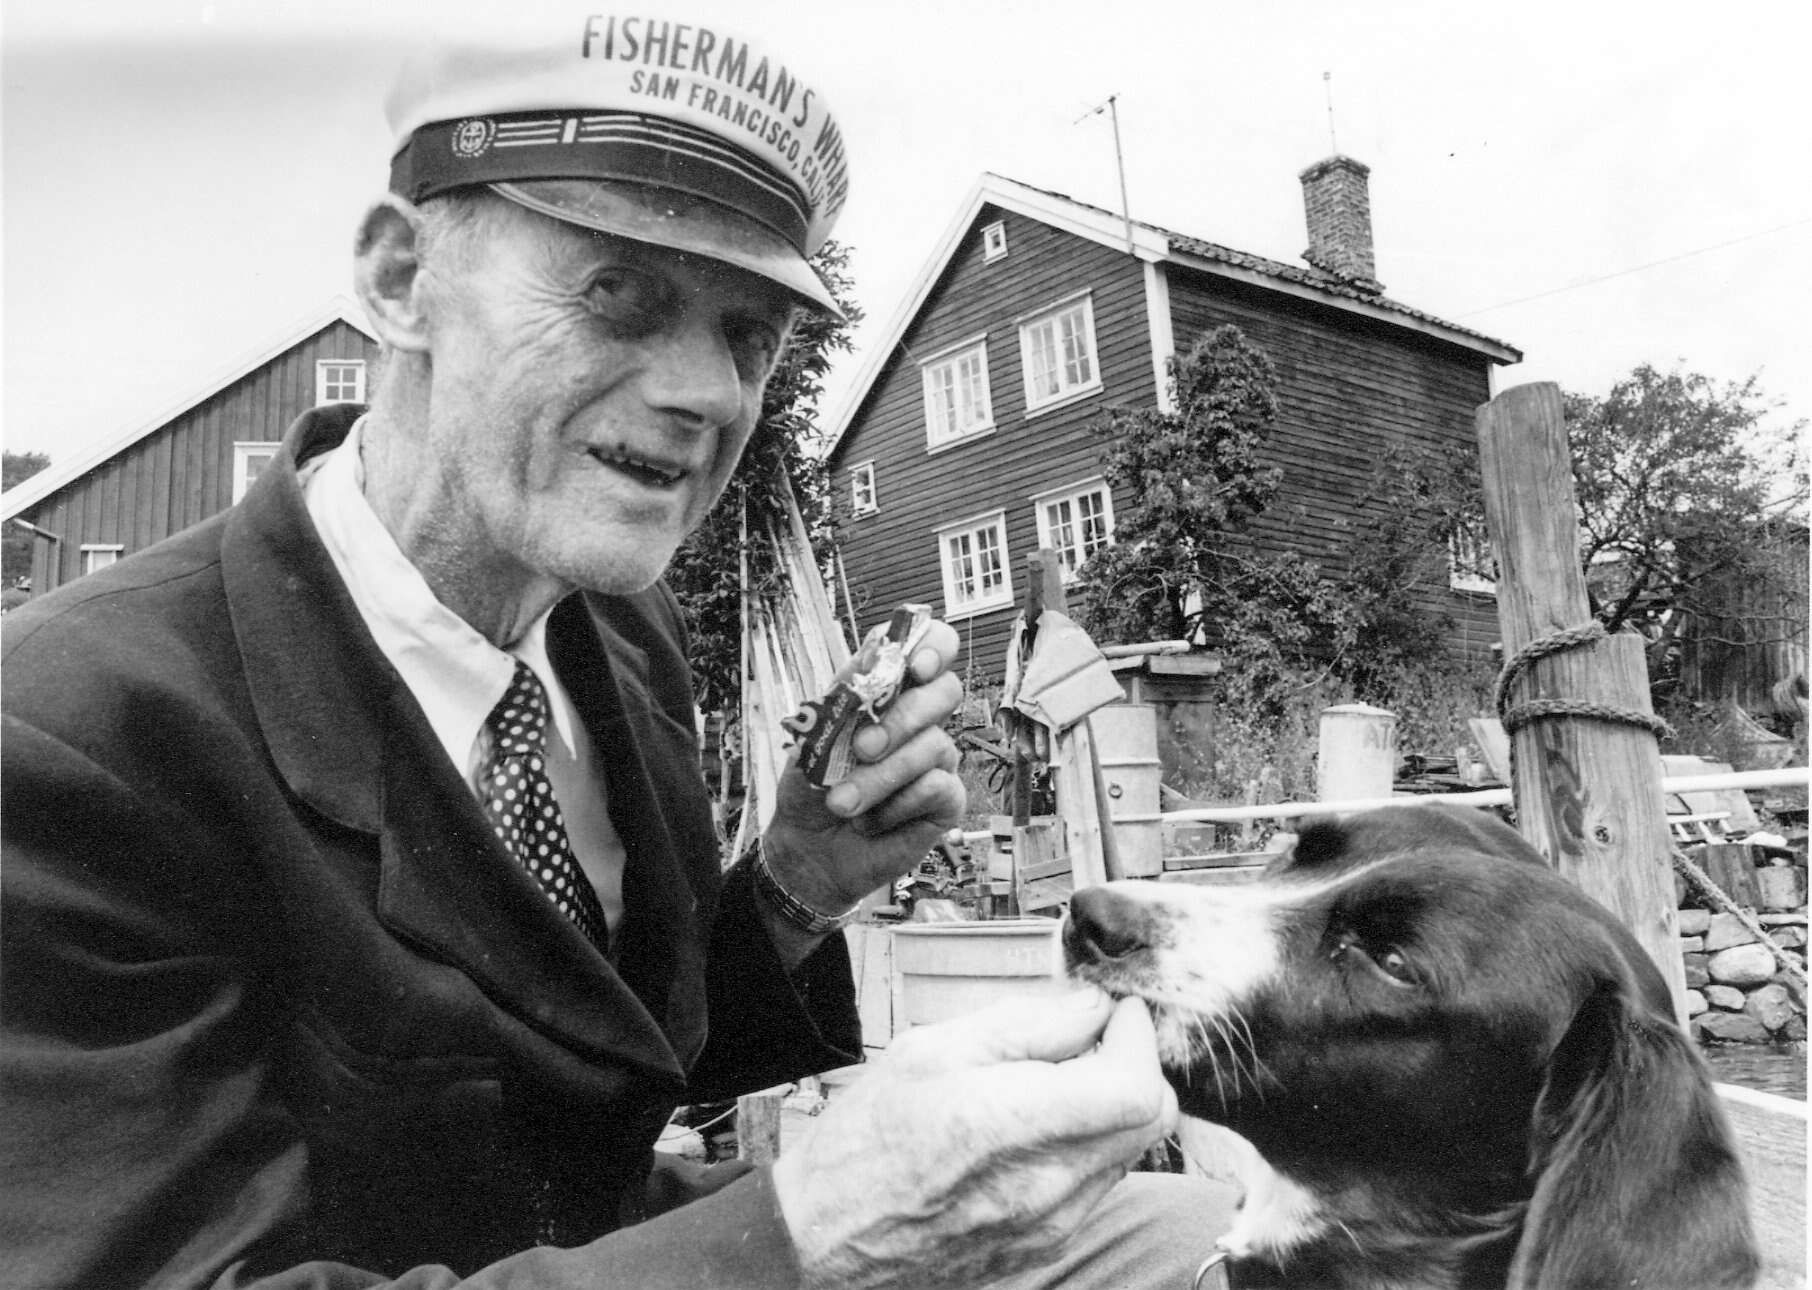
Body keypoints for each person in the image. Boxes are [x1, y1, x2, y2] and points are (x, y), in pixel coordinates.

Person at [1, 14, 1234, 1288]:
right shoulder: (67, 737)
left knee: (1198, 1235)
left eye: (747, 334)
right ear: (400, 280)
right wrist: (811, 1230)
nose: (709, 393)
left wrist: (797, 882)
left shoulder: (620, 635)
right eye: (618, 295)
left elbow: (587, 1067)